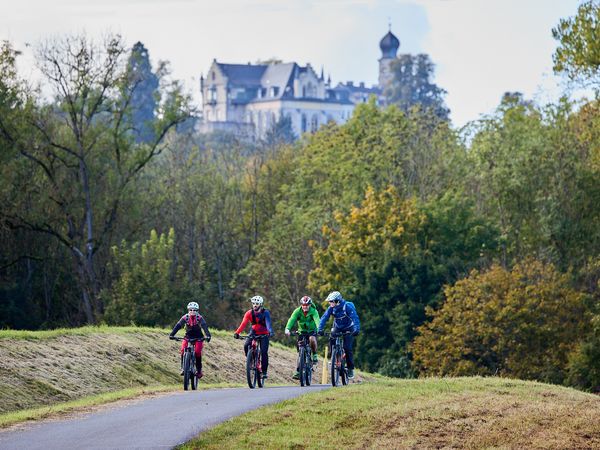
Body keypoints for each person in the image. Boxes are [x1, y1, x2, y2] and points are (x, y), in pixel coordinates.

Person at [317, 291, 360, 379]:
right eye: (329, 301)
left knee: (347, 348)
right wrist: (320, 329)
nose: (330, 303)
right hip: (337, 327)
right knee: (332, 337)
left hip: (349, 328)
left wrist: (356, 329)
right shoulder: (331, 308)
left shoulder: (347, 307)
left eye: (331, 301)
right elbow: (324, 318)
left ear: (338, 301)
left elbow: (355, 318)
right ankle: (334, 356)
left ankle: (350, 368)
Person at [234, 295, 274, 379]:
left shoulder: (265, 312)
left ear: (260, 304)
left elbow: (268, 323)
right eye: (253, 303)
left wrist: (270, 331)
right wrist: (237, 332)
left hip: (264, 333)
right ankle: (251, 361)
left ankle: (264, 371)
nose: (255, 305)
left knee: (263, 352)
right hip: (254, 332)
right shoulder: (249, 313)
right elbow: (243, 324)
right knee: (246, 345)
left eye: (257, 303)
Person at [169, 301, 212, 379]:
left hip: (199, 337)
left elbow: (205, 327)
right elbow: (178, 326)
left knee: (197, 352)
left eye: (194, 310)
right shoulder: (185, 317)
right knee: (182, 350)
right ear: (188, 310)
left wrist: (208, 336)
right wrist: (172, 334)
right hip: (188, 337)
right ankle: (183, 368)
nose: (192, 311)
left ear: (197, 311)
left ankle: (199, 370)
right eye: (191, 310)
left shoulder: (199, 318)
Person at [285, 295, 320, 379]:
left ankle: (314, 355)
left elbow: (317, 320)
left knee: (312, 339)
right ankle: (298, 371)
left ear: (310, 305)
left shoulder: (314, 311)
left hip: (311, 331)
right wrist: (287, 329)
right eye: (303, 305)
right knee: (300, 351)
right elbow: (292, 319)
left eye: (307, 305)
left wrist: (319, 329)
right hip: (301, 332)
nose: (305, 307)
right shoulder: (297, 311)